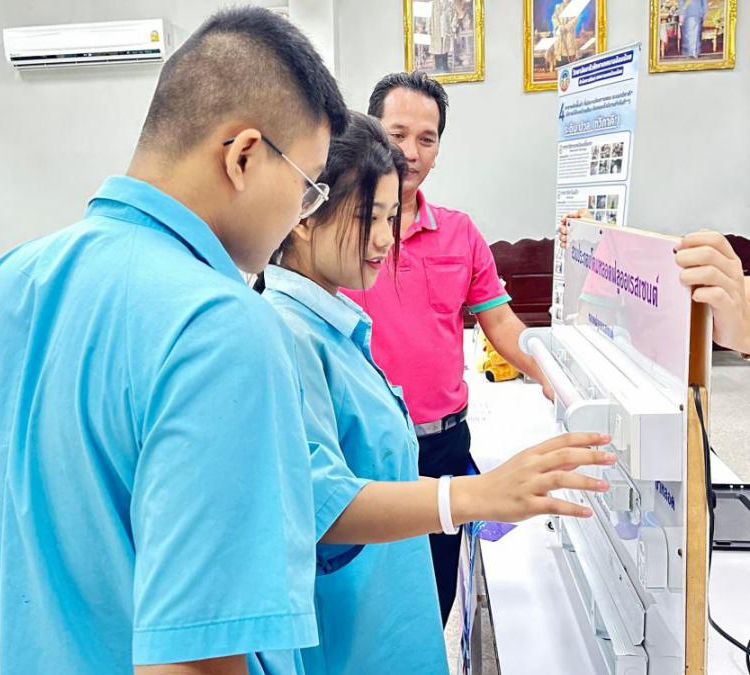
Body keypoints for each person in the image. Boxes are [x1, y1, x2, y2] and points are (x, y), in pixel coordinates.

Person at [0, 8, 349, 675]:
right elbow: (195, 658)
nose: (300, 215)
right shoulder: (222, 328)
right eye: (308, 188)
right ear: (243, 157)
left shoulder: (1, 283)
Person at [258, 112, 614, 674]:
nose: (385, 238)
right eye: (368, 218)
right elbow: (320, 505)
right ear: (304, 213)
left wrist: (558, 375)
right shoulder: (285, 332)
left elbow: (501, 324)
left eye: (390, 217)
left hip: (388, 613)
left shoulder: (336, 323)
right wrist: (474, 495)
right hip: (350, 641)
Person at [343, 71, 553, 623]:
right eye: (397, 134)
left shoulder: (460, 234)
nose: (410, 153)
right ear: (371, 132)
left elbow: (501, 324)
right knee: (361, 600)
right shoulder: (336, 232)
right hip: (360, 447)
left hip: (441, 445)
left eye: (426, 139)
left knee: (434, 597)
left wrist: (555, 376)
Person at [558, 224, 750, 356]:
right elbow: (590, 322)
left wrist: (743, 335)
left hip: (679, 381)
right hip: (640, 374)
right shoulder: (617, 237)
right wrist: (588, 233)